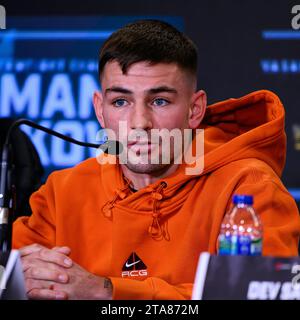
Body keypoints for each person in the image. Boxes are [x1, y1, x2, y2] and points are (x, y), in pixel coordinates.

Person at [12, 20, 300, 300]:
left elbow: (255, 294)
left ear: (194, 109)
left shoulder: (248, 188)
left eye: (159, 101)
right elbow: (12, 276)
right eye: (120, 102)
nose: (140, 122)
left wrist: (107, 292)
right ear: (100, 110)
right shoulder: (62, 191)